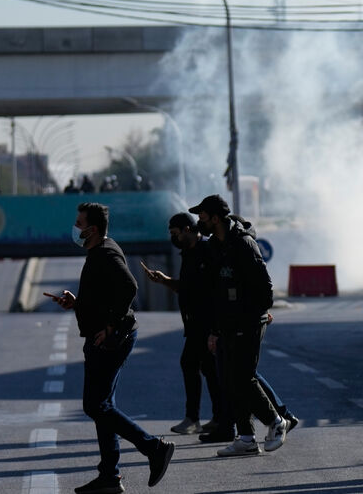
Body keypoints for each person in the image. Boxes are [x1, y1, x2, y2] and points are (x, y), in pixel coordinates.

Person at [49, 202, 174, 493]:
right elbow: (104, 297)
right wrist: (77, 303)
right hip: (107, 336)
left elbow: (129, 287)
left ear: (92, 229)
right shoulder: (100, 250)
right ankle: (110, 476)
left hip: (110, 340)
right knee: (104, 406)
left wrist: (111, 326)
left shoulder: (104, 253)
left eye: (78, 223)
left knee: (95, 405)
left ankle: (153, 448)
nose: (75, 228)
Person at [190, 195, 288, 457]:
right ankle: (245, 437)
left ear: (215, 217)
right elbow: (213, 292)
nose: (199, 221)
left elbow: (265, 288)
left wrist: (256, 314)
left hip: (248, 321)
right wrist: (214, 330)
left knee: (243, 377)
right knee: (229, 382)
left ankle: (277, 422)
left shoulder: (244, 244)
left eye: (202, 216)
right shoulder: (214, 247)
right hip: (225, 324)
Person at [142, 213, 227, 439]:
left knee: (193, 364)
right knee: (207, 369)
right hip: (194, 322)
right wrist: (165, 281)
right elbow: (187, 288)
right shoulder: (188, 253)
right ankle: (216, 418)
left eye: (175, 233)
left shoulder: (207, 250)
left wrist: (215, 329)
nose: (173, 237)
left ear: (188, 228)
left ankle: (197, 419)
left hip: (207, 322)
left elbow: (212, 289)